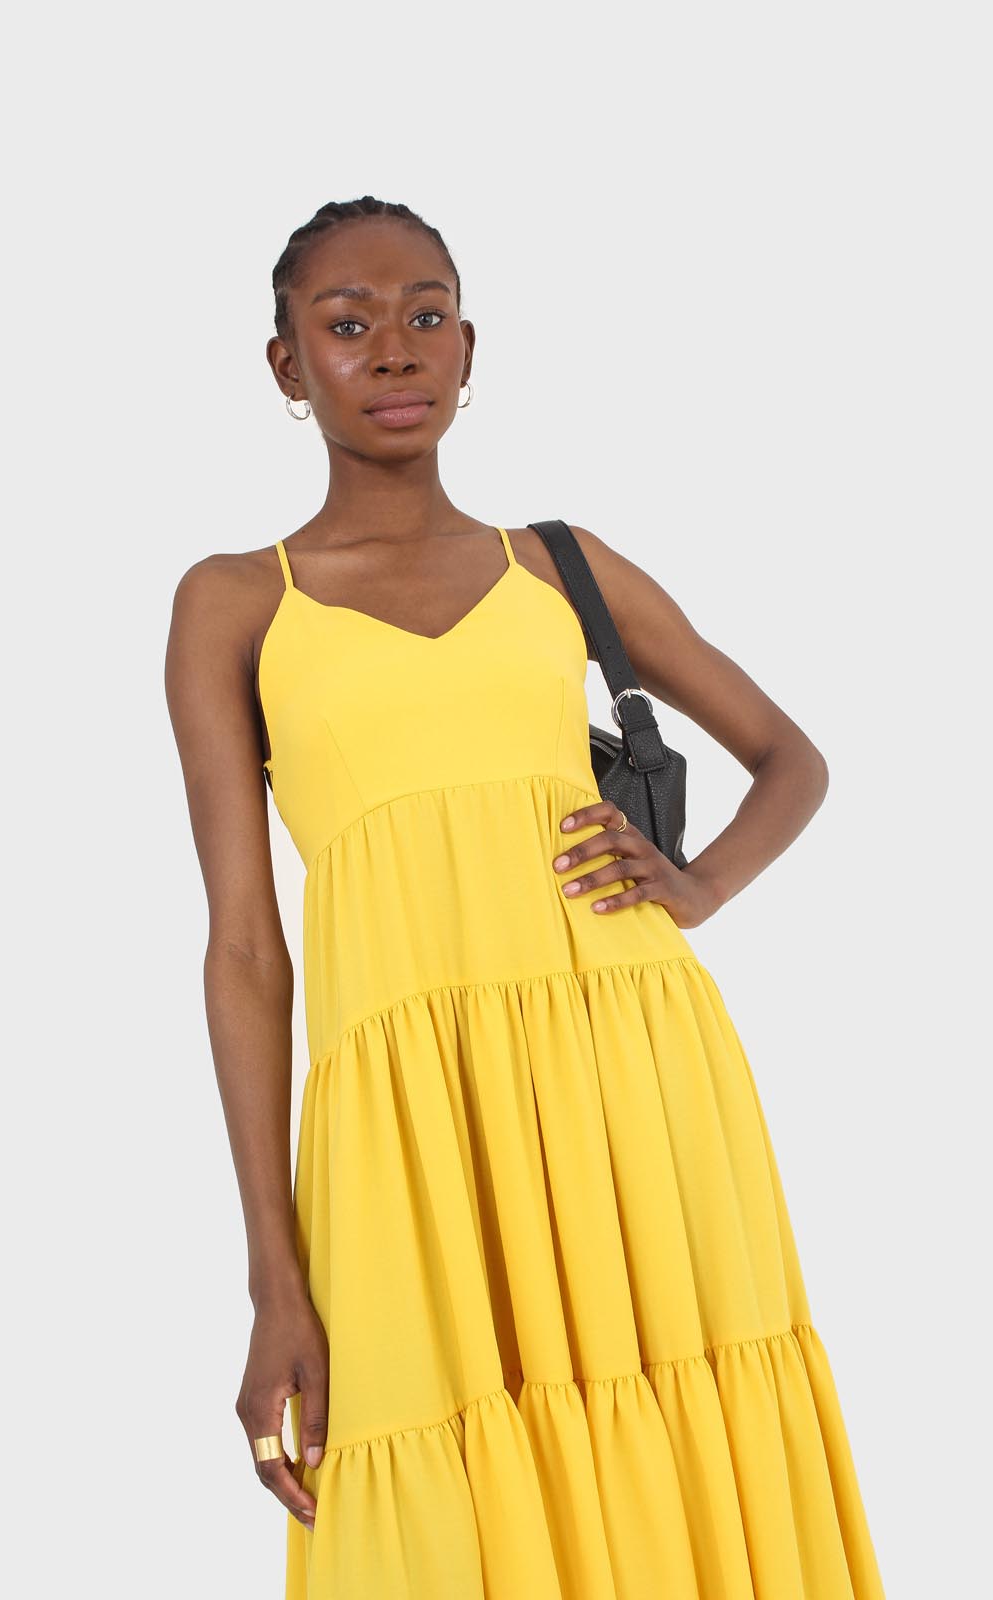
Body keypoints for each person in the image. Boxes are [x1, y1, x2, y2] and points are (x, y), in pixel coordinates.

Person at [165, 195, 885, 1599]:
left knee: (678, 1427)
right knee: (441, 1477)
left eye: (426, 315)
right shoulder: (235, 601)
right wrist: (273, 1277)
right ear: (287, 364)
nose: (394, 349)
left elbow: (791, 759)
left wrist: (697, 889)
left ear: (469, 346)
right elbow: (245, 948)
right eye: (348, 324)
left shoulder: (559, 564)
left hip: (634, 1063)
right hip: (411, 1116)